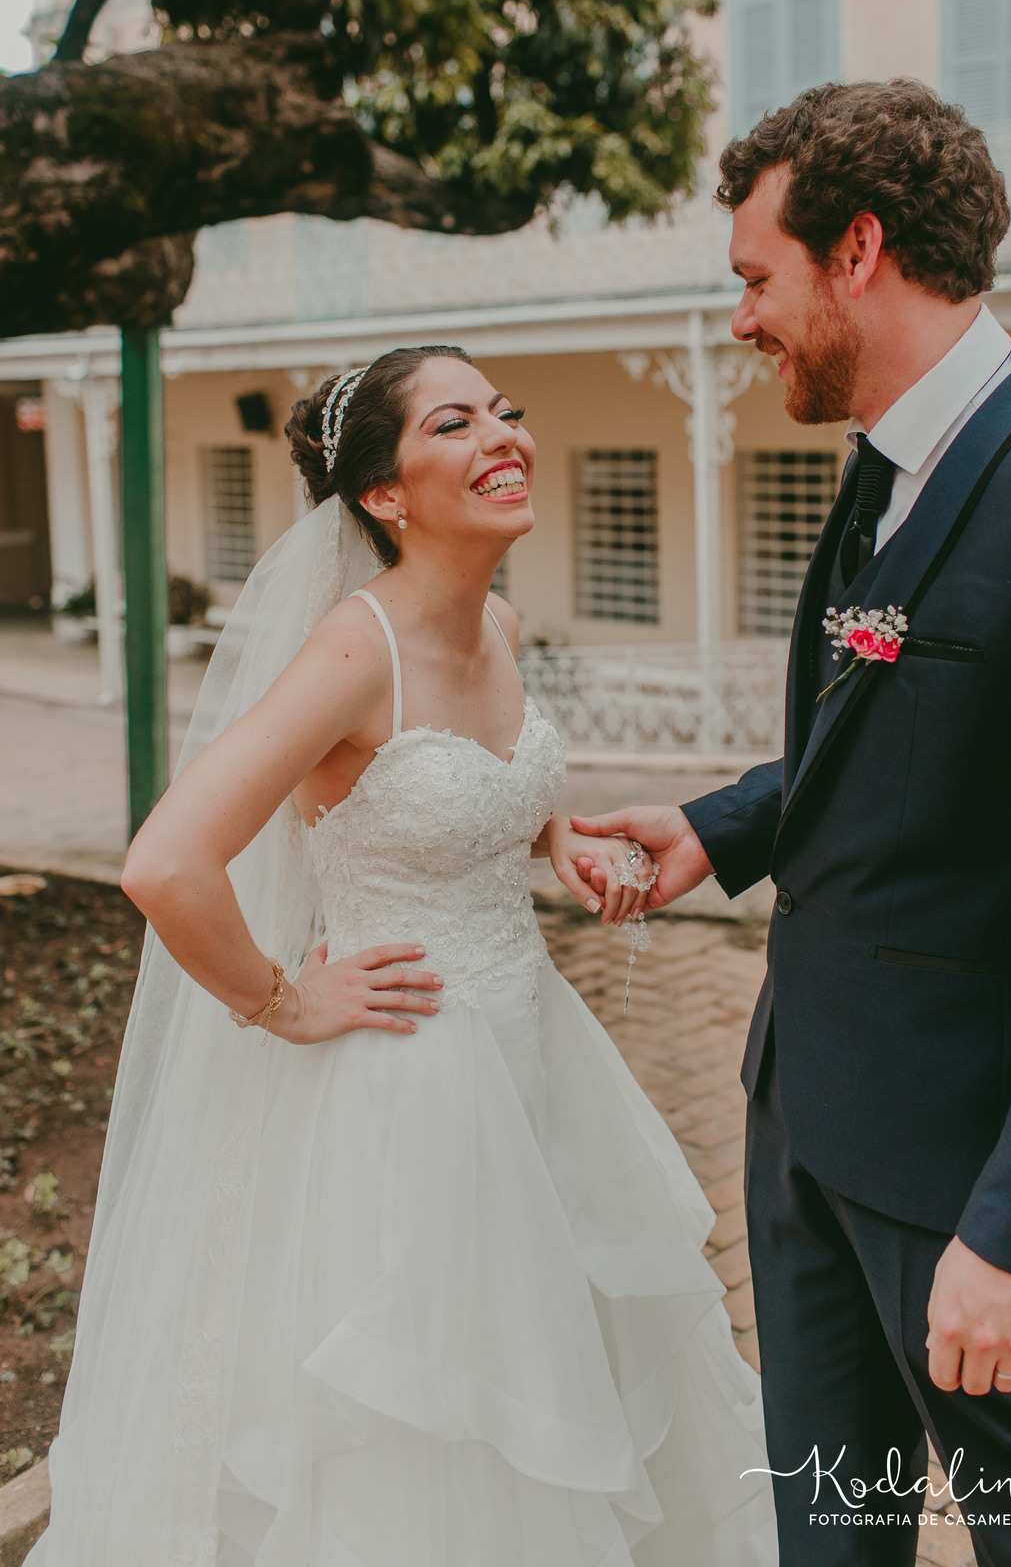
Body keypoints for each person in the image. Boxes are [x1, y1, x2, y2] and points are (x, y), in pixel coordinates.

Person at [571, 79, 1011, 1565]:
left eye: (754, 281)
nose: (739, 321)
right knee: (827, 1536)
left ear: (857, 251)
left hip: (967, 1182)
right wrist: (722, 828)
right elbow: (900, 745)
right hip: (804, 1123)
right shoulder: (884, 467)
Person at [31, 343, 777, 1566]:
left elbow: (474, 773)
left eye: (507, 413)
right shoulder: (348, 654)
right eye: (455, 425)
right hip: (408, 1094)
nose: (503, 438)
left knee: (557, 1361)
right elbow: (165, 864)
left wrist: (555, 839)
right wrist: (280, 998)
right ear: (383, 494)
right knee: (428, 1427)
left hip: (533, 1064)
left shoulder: (498, 617)